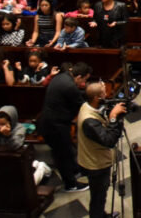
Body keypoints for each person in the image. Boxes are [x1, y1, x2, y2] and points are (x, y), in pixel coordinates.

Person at [40, 62, 92, 192]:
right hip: (55, 125)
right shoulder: (69, 86)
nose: (84, 83)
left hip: (50, 121)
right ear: (79, 76)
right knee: (62, 155)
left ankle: (75, 170)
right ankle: (71, 184)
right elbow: (81, 106)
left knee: (67, 150)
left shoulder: (61, 77)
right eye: (84, 80)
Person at [77, 82, 125, 217]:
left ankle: (101, 214)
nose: (107, 95)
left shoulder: (87, 106)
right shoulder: (89, 121)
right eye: (104, 93)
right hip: (95, 164)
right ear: (97, 98)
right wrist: (114, 118)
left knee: (99, 196)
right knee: (98, 196)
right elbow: (108, 141)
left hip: (94, 158)